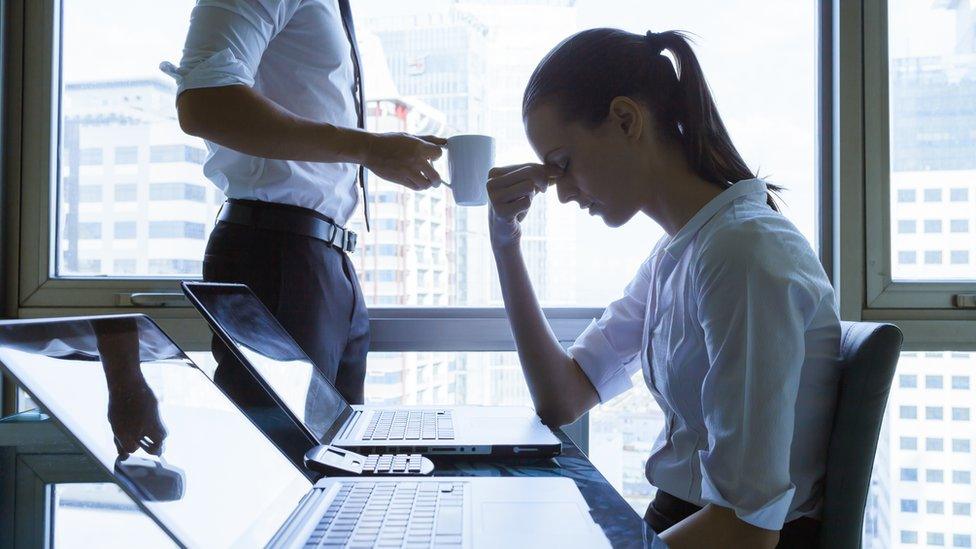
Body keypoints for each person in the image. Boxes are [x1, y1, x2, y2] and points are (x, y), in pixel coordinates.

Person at [487, 29, 840, 548]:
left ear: (627, 120)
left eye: (563, 164)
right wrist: (505, 241)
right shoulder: (682, 254)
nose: (561, 193)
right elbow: (562, 398)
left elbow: (746, 531)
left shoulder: (742, 254)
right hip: (680, 524)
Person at [160, 0, 446, 406]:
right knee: (282, 458)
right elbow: (205, 104)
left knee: (337, 452)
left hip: (322, 258)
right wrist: (369, 148)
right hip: (278, 252)